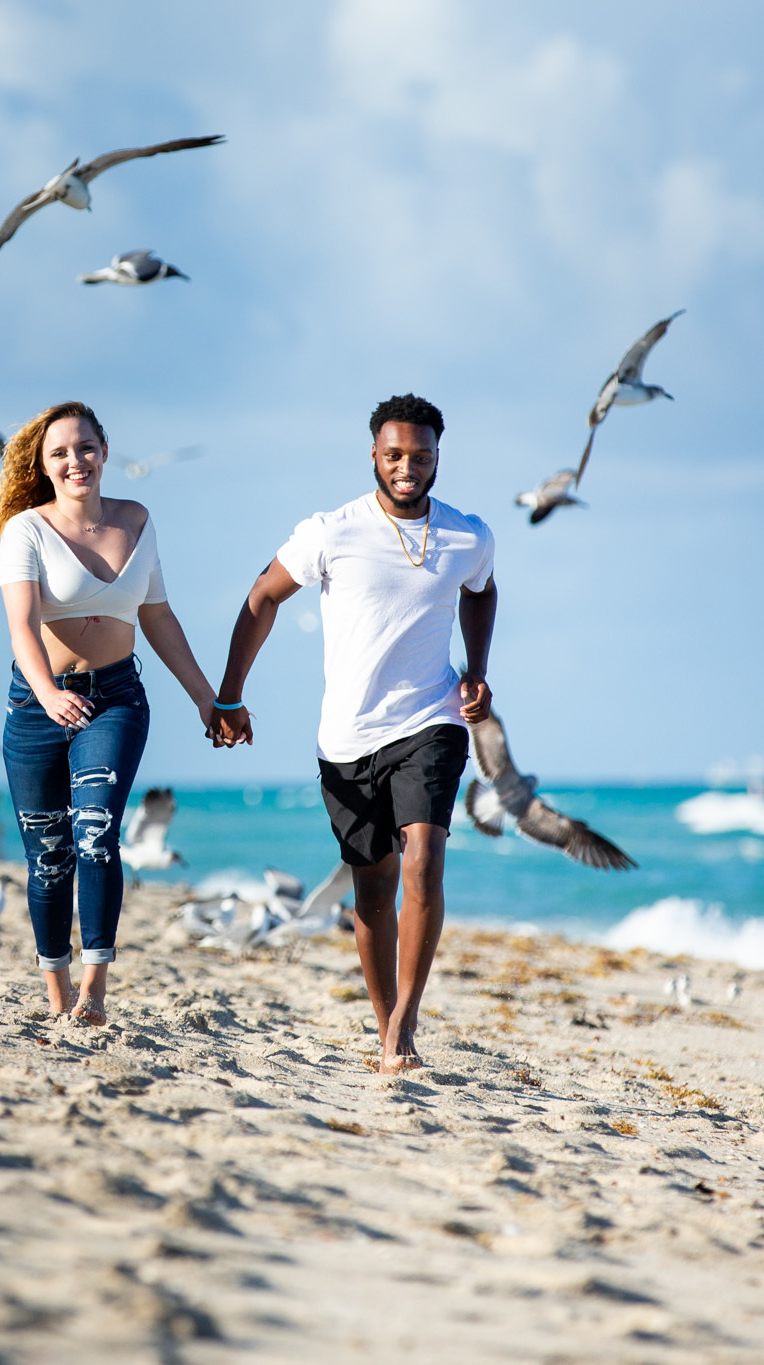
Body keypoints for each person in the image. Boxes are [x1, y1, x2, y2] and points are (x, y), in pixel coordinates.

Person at [213, 394, 496, 1072]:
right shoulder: (330, 532)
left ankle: (405, 1022)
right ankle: (383, 1020)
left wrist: (478, 671)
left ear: (437, 458)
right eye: (395, 454)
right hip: (346, 737)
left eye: (421, 456)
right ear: (374, 453)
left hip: (431, 718)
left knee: (424, 857)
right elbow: (261, 597)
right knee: (373, 887)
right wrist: (230, 693)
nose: (408, 467)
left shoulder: (468, 534)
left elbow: (480, 590)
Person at [0, 400, 224, 1026]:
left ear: (104, 449)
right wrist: (46, 692)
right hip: (37, 704)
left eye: (86, 447)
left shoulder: (137, 519)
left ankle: (94, 995)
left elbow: (156, 615)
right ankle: (57, 996)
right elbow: (20, 626)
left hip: (115, 699)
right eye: (61, 453)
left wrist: (208, 697)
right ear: (44, 466)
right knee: (48, 856)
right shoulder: (26, 530)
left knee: (96, 833)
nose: (77, 461)